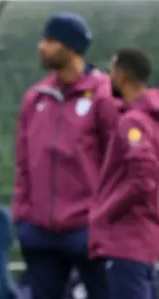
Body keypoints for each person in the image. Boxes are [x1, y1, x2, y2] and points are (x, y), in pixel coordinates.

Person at [11, 12, 120, 299]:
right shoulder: (36, 98)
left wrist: (105, 219)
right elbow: (23, 163)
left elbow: (120, 163)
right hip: (40, 233)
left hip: (89, 230)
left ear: (71, 48)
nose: (41, 46)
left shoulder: (104, 96)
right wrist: (22, 217)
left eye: (50, 41)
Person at [89, 48, 159, 299]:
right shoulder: (153, 118)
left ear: (122, 75)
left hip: (126, 241)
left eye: (111, 71)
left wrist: (105, 210)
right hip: (147, 240)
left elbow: (144, 177)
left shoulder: (133, 122)